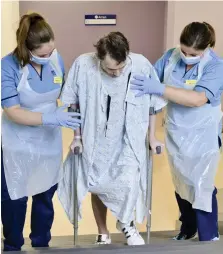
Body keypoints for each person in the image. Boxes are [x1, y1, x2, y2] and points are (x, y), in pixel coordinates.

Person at [58, 32, 166, 245]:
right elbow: (73, 103)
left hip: (128, 137)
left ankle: (127, 225)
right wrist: (77, 137)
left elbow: (152, 104)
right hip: (94, 138)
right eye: (110, 69)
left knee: (128, 180)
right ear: (99, 59)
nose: (116, 73)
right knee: (97, 183)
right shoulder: (83, 65)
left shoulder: (141, 65)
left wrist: (151, 136)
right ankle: (103, 231)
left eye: (121, 67)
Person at [131, 22, 223, 241]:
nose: (186, 56)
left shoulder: (216, 66)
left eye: (193, 53)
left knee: (201, 184)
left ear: (207, 47)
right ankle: (187, 228)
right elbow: (151, 77)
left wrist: (160, 88)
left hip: (203, 134)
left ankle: (209, 235)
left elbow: (198, 98)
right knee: (181, 181)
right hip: (176, 130)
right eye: (183, 50)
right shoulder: (171, 56)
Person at [1, 13, 81, 251]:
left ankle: (41, 244)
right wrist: (49, 117)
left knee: (45, 197)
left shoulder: (56, 60)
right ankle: (13, 245)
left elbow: (68, 96)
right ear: (27, 49)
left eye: (51, 51)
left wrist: (76, 131)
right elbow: (13, 111)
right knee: (15, 198)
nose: (49, 57)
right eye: (43, 54)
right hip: (18, 143)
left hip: (49, 141)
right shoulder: (8, 66)